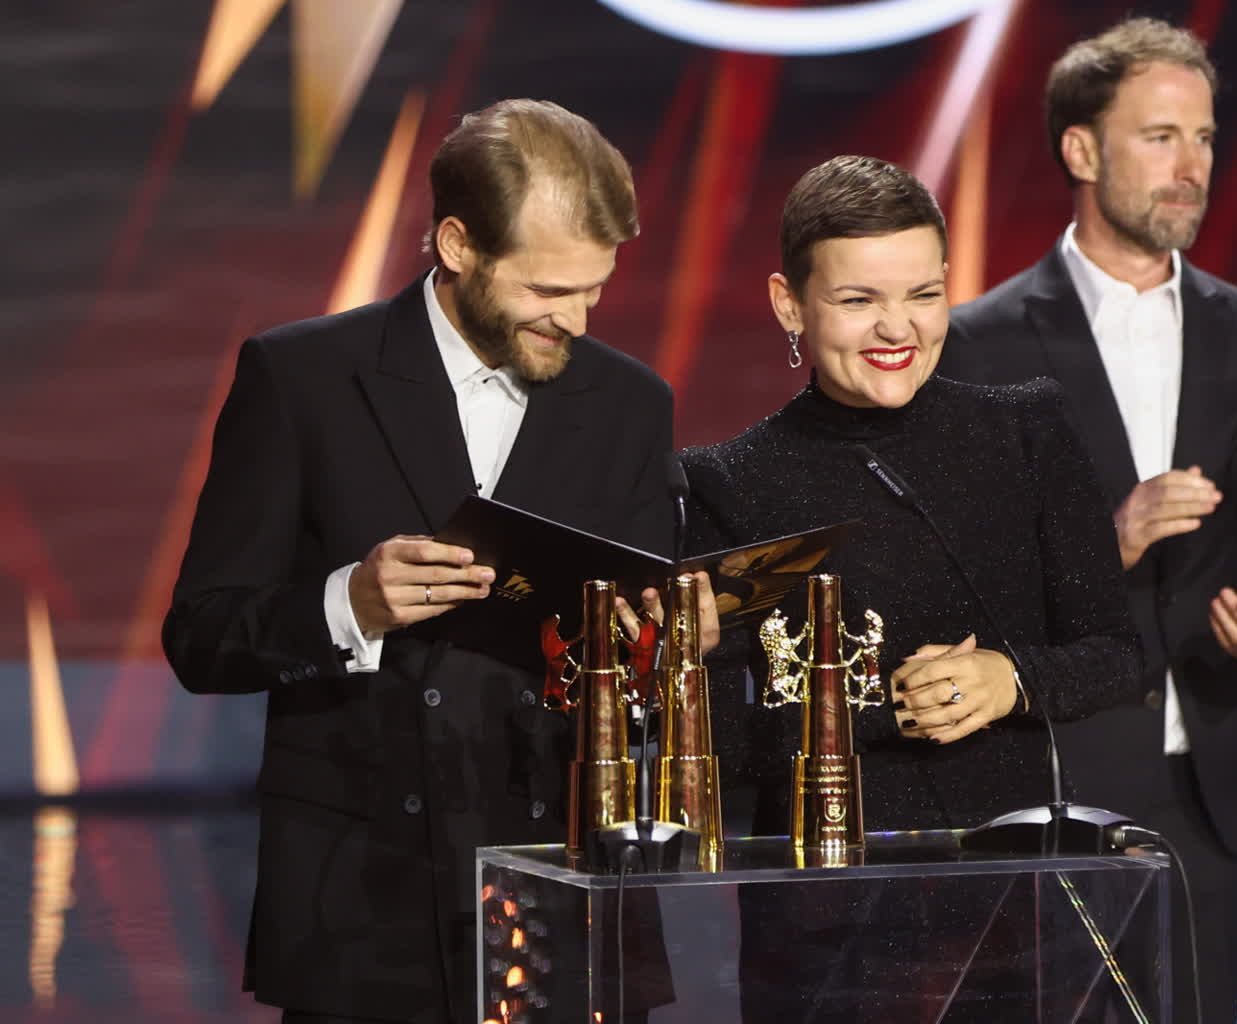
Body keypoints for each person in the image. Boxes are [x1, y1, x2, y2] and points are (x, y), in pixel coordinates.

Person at [162, 99, 677, 1024]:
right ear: (457, 244)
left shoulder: (631, 404)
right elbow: (201, 636)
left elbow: (640, 679)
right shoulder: (303, 379)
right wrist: (349, 605)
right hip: (363, 901)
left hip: (565, 892)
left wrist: (665, 651)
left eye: (594, 289)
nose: (575, 318)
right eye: (547, 289)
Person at [935, 18, 1237, 1022]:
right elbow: (953, 582)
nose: (1192, 165)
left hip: (1215, 779)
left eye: (1203, 138)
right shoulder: (980, 344)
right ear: (1081, 150)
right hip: (1058, 779)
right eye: (1161, 137)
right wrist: (1104, 543)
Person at [683, 154, 1142, 1020]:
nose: (897, 328)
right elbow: (728, 744)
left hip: (1015, 899)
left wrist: (1010, 680)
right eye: (859, 300)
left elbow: (1116, 654)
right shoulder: (728, 482)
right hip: (828, 919)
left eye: (924, 294)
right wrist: (882, 710)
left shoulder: (1026, 430)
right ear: (789, 303)